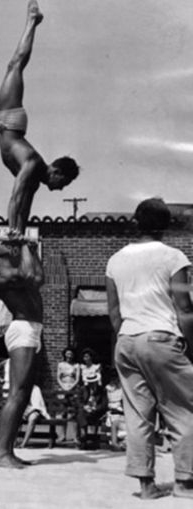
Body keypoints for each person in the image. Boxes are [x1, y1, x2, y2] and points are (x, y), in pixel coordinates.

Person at [106, 197, 193, 499]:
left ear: (135, 222)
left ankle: (146, 485)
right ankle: (184, 482)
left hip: (127, 339)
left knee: (138, 415)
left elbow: (114, 313)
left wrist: (127, 339)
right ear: (167, 225)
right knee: (185, 410)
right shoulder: (174, 257)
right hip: (161, 338)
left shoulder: (115, 260)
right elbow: (184, 309)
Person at [0, 0, 79, 236]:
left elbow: (23, 210)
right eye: (63, 183)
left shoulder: (36, 180)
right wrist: (12, 232)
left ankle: (33, 21)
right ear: (56, 172)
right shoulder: (32, 164)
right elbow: (15, 196)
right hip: (10, 120)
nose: (60, 189)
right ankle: (32, 20)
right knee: (15, 65)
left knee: (15, 67)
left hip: (9, 125)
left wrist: (20, 234)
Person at [0, 238, 44, 468]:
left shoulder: (12, 270)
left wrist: (32, 251)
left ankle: (8, 451)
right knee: (18, 392)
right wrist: (23, 245)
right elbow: (31, 277)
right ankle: (1, 454)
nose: (0, 240)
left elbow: (39, 279)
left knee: (22, 395)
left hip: (31, 329)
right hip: (23, 330)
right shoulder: (3, 275)